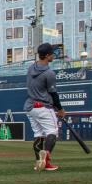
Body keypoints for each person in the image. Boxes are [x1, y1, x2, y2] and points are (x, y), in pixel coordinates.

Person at [24, 42, 64, 172]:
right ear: (47, 56)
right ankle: (46, 160)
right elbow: (53, 93)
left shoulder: (31, 68)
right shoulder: (49, 73)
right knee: (52, 132)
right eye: (52, 53)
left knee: (38, 134)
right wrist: (60, 109)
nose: (54, 55)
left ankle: (39, 162)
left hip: (30, 107)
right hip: (43, 107)